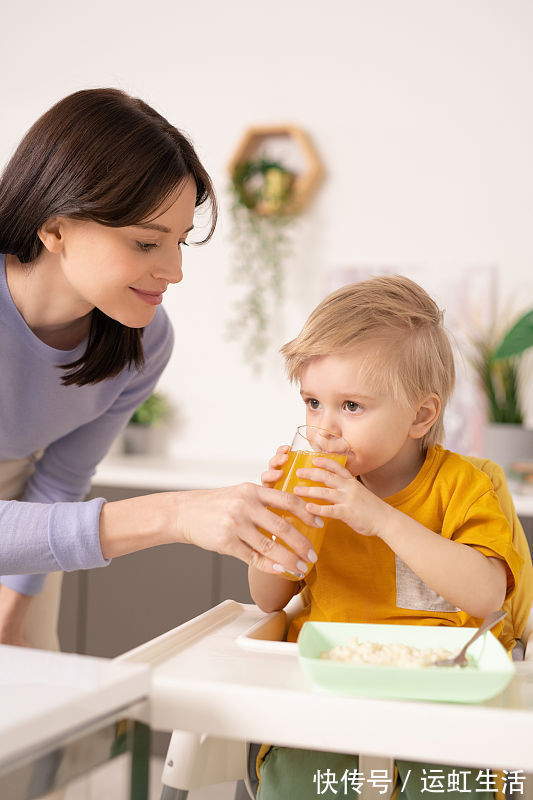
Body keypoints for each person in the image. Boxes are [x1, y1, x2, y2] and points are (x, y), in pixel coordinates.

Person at [0, 88, 321, 650]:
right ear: (53, 230)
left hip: (27, 510)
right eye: (147, 242)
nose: (173, 271)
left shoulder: (144, 341)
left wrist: (13, 603)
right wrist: (176, 514)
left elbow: (60, 481)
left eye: (180, 242)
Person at [248, 275, 523, 800]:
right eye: (312, 403)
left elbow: (487, 595)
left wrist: (378, 517)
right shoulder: (316, 493)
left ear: (421, 415)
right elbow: (267, 599)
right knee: (299, 785)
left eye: (351, 407)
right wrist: (278, 526)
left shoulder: (463, 487)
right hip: (326, 700)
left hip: (447, 704)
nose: (324, 429)